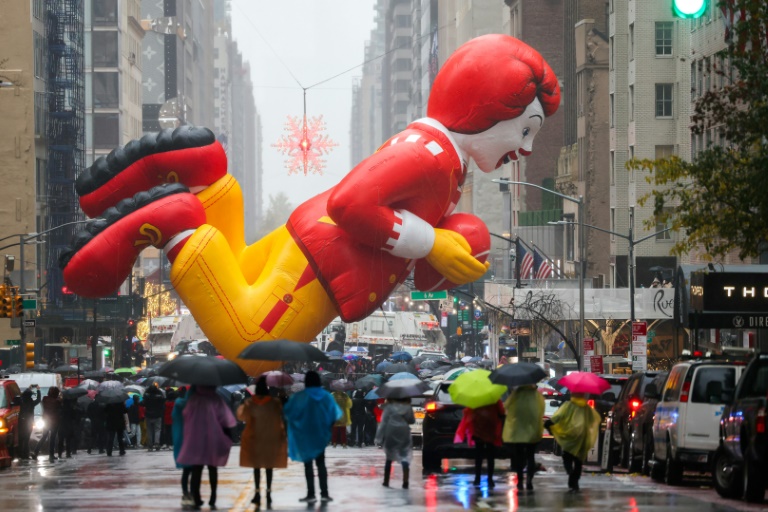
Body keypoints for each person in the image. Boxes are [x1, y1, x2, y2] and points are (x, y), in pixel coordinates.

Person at [62, 34, 560, 378]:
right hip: (310, 276)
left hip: (305, 251)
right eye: (525, 130)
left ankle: (208, 179)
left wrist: (448, 245)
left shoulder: (442, 161)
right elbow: (350, 203)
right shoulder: (429, 157)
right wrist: (431, 241)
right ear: (486, 109)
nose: (526, 149)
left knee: (233, 271)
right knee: (249, 349)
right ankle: (176, 224)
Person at [283, 370, 342, 504]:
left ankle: (311, 493)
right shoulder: (326, 396)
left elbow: (289, 413)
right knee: (321, 464)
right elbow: (334, 414)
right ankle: (325, 493)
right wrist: (327, 428)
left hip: (305, 435)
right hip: (320, 435)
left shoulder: (300, 396)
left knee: (308, 465)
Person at [176, 385, 236, 510]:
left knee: (197, 468)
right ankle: (213, 496)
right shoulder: (216, 398)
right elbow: (225, 417)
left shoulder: (194, 399)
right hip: (213, 437)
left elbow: (185, 415)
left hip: (195, 438)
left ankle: (196, 496)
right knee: (212, 468)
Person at [238, 376, 287, 509]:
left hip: (255, 438)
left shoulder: (250, 403)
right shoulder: (274, 402)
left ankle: (257, 492)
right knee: (269, 466)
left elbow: (242, 416)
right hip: (270, 438)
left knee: (257, 467)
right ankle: (269, 492)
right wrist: (283, 399)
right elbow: (281, 415)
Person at [545, 392, 601, 493]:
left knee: (567, 457)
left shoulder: (567, 406)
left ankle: (571, 474)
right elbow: (594, 419)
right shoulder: (586, 408)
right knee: (578, 461)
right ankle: (574, 482)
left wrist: (549, 424)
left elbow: (558, 416)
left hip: (569, 436)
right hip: (582, 437)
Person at [454, 400, 505, 488]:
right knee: (490, 455)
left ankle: (477, 478)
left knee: (479, 455)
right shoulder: (494, 398)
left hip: (478, 428)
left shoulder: (476, 398)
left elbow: (469, 411)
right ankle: (490, 479)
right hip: (491, 429)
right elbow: (501, 412)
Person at [503, 384, 545, 491]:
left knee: (519, 457)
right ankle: (529, 481)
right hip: (533, 430)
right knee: (530, 456)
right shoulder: (537, 395)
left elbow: (506, 406)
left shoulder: (516, 395)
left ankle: (520, 481)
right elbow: (542, 409)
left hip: (518, 431)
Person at [375, 397, 415, 489]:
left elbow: (384, 422)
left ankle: (386, 481)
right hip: (404, 431)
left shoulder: (389, 407)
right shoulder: (407, 407)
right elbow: (412, 420)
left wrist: (378, 437)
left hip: (391, 431)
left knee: (389, 457)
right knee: (404, 455)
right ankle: (405, 481)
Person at [172, 387, 193, 509]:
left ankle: (185, 493)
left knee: (186, 471)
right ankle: (194, 494)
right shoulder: (196, 405)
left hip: (182, 439)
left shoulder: (179, 404)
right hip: (195, 440)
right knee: (196, 470)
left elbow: (174, 417)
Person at [34, 386, 62, 462]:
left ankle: (36, 452)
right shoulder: (57, 401)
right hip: (54, 421)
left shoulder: (45, 399)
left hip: (46, 420)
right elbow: (59, 409)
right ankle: (51, 455)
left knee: (44, 436)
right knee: (52, 438)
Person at [18, 386, 41, 460]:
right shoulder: (31, 403)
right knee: (26, 438)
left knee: (22, 438)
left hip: (22, 422)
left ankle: (22, 454)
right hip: (29, 422)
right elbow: (38, 399)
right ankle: (26, 454)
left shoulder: (21, 402)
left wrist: (28, 389)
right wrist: (38, 390)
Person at [142, 383, 165, 451]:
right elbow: (162, 405)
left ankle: (150, 445)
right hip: (158, 415)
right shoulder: (160, 396)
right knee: (157, 430)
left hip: (148, 415)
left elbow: (143, 403)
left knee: (149, 430)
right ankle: (157, 443)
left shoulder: (146, 396)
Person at [59, 394, 82, 458]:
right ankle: (68, 453)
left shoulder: (61, 407)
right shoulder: (71, 408)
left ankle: (59, 453)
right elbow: (74, 416)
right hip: (69, 425)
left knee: (61, 440)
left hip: (61, 425)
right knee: (68, 440)